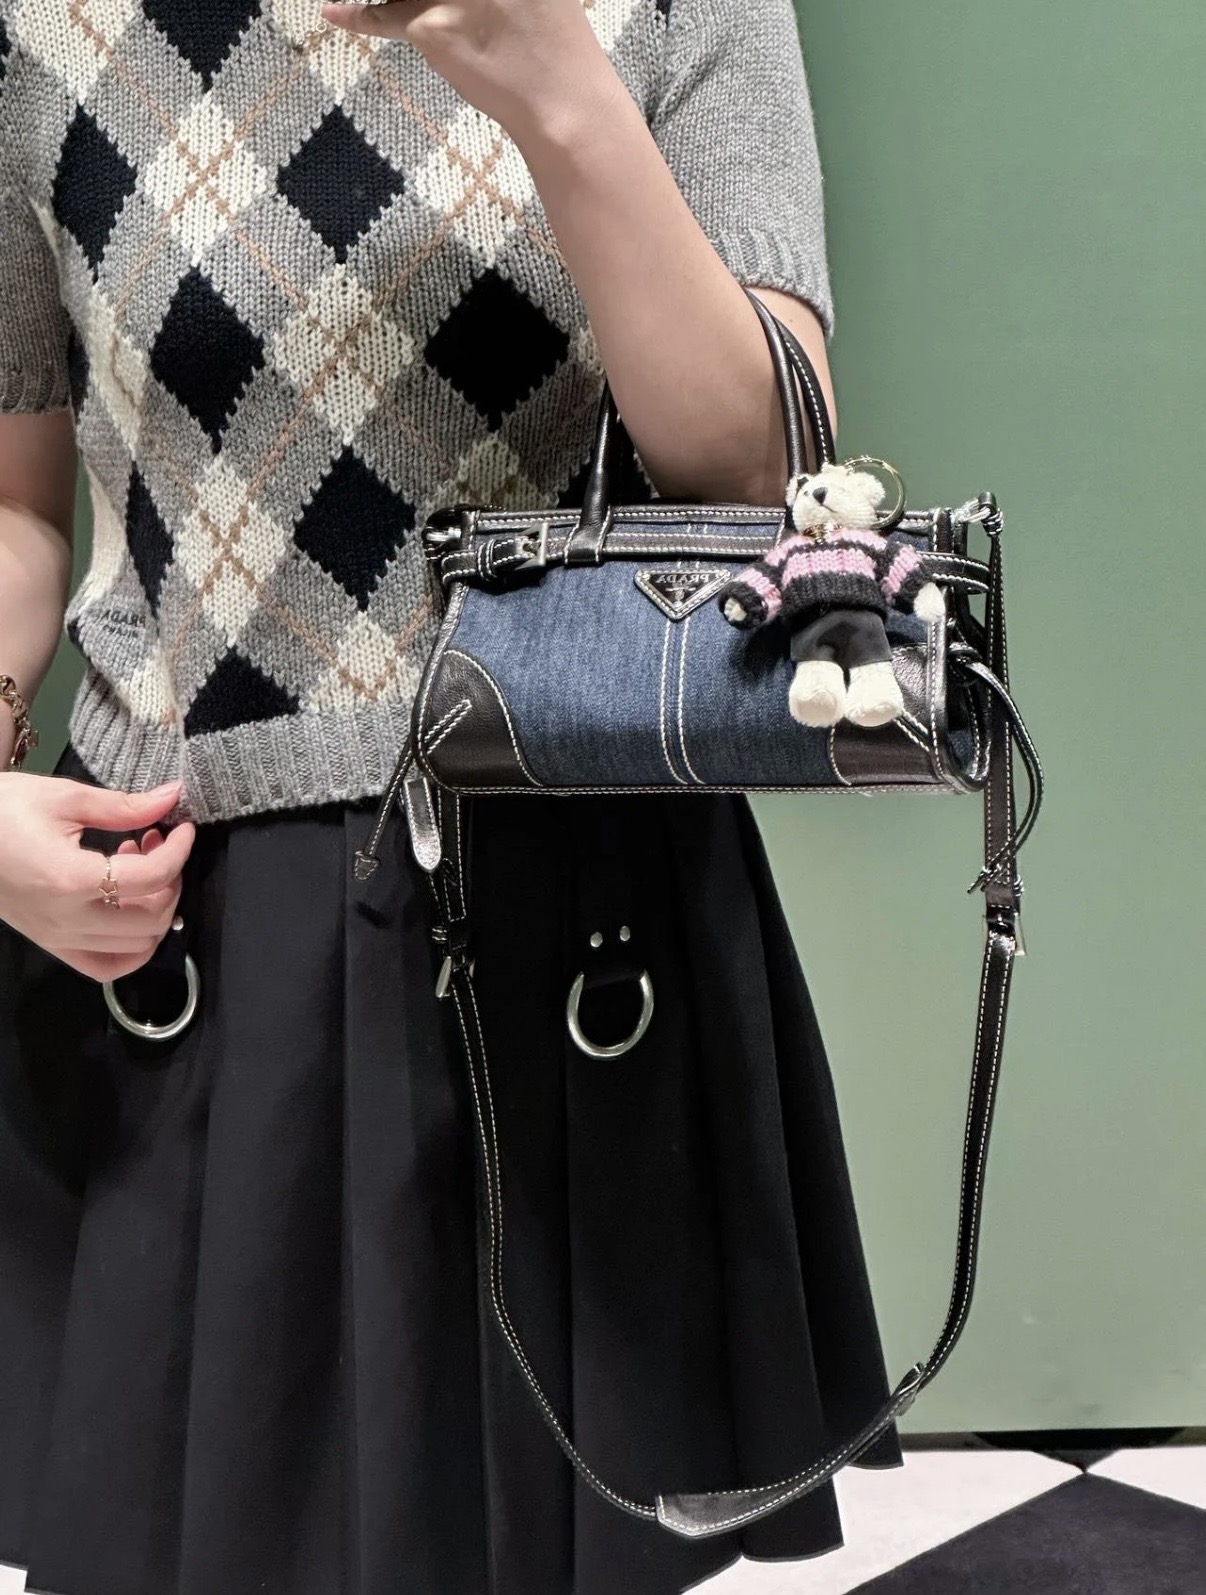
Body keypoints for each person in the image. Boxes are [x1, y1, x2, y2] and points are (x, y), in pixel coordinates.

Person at [0, 1, 904, 1591]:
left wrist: (554, 81)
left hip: (581, 915)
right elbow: (17, 507)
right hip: (177, 928)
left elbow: (759, 473)